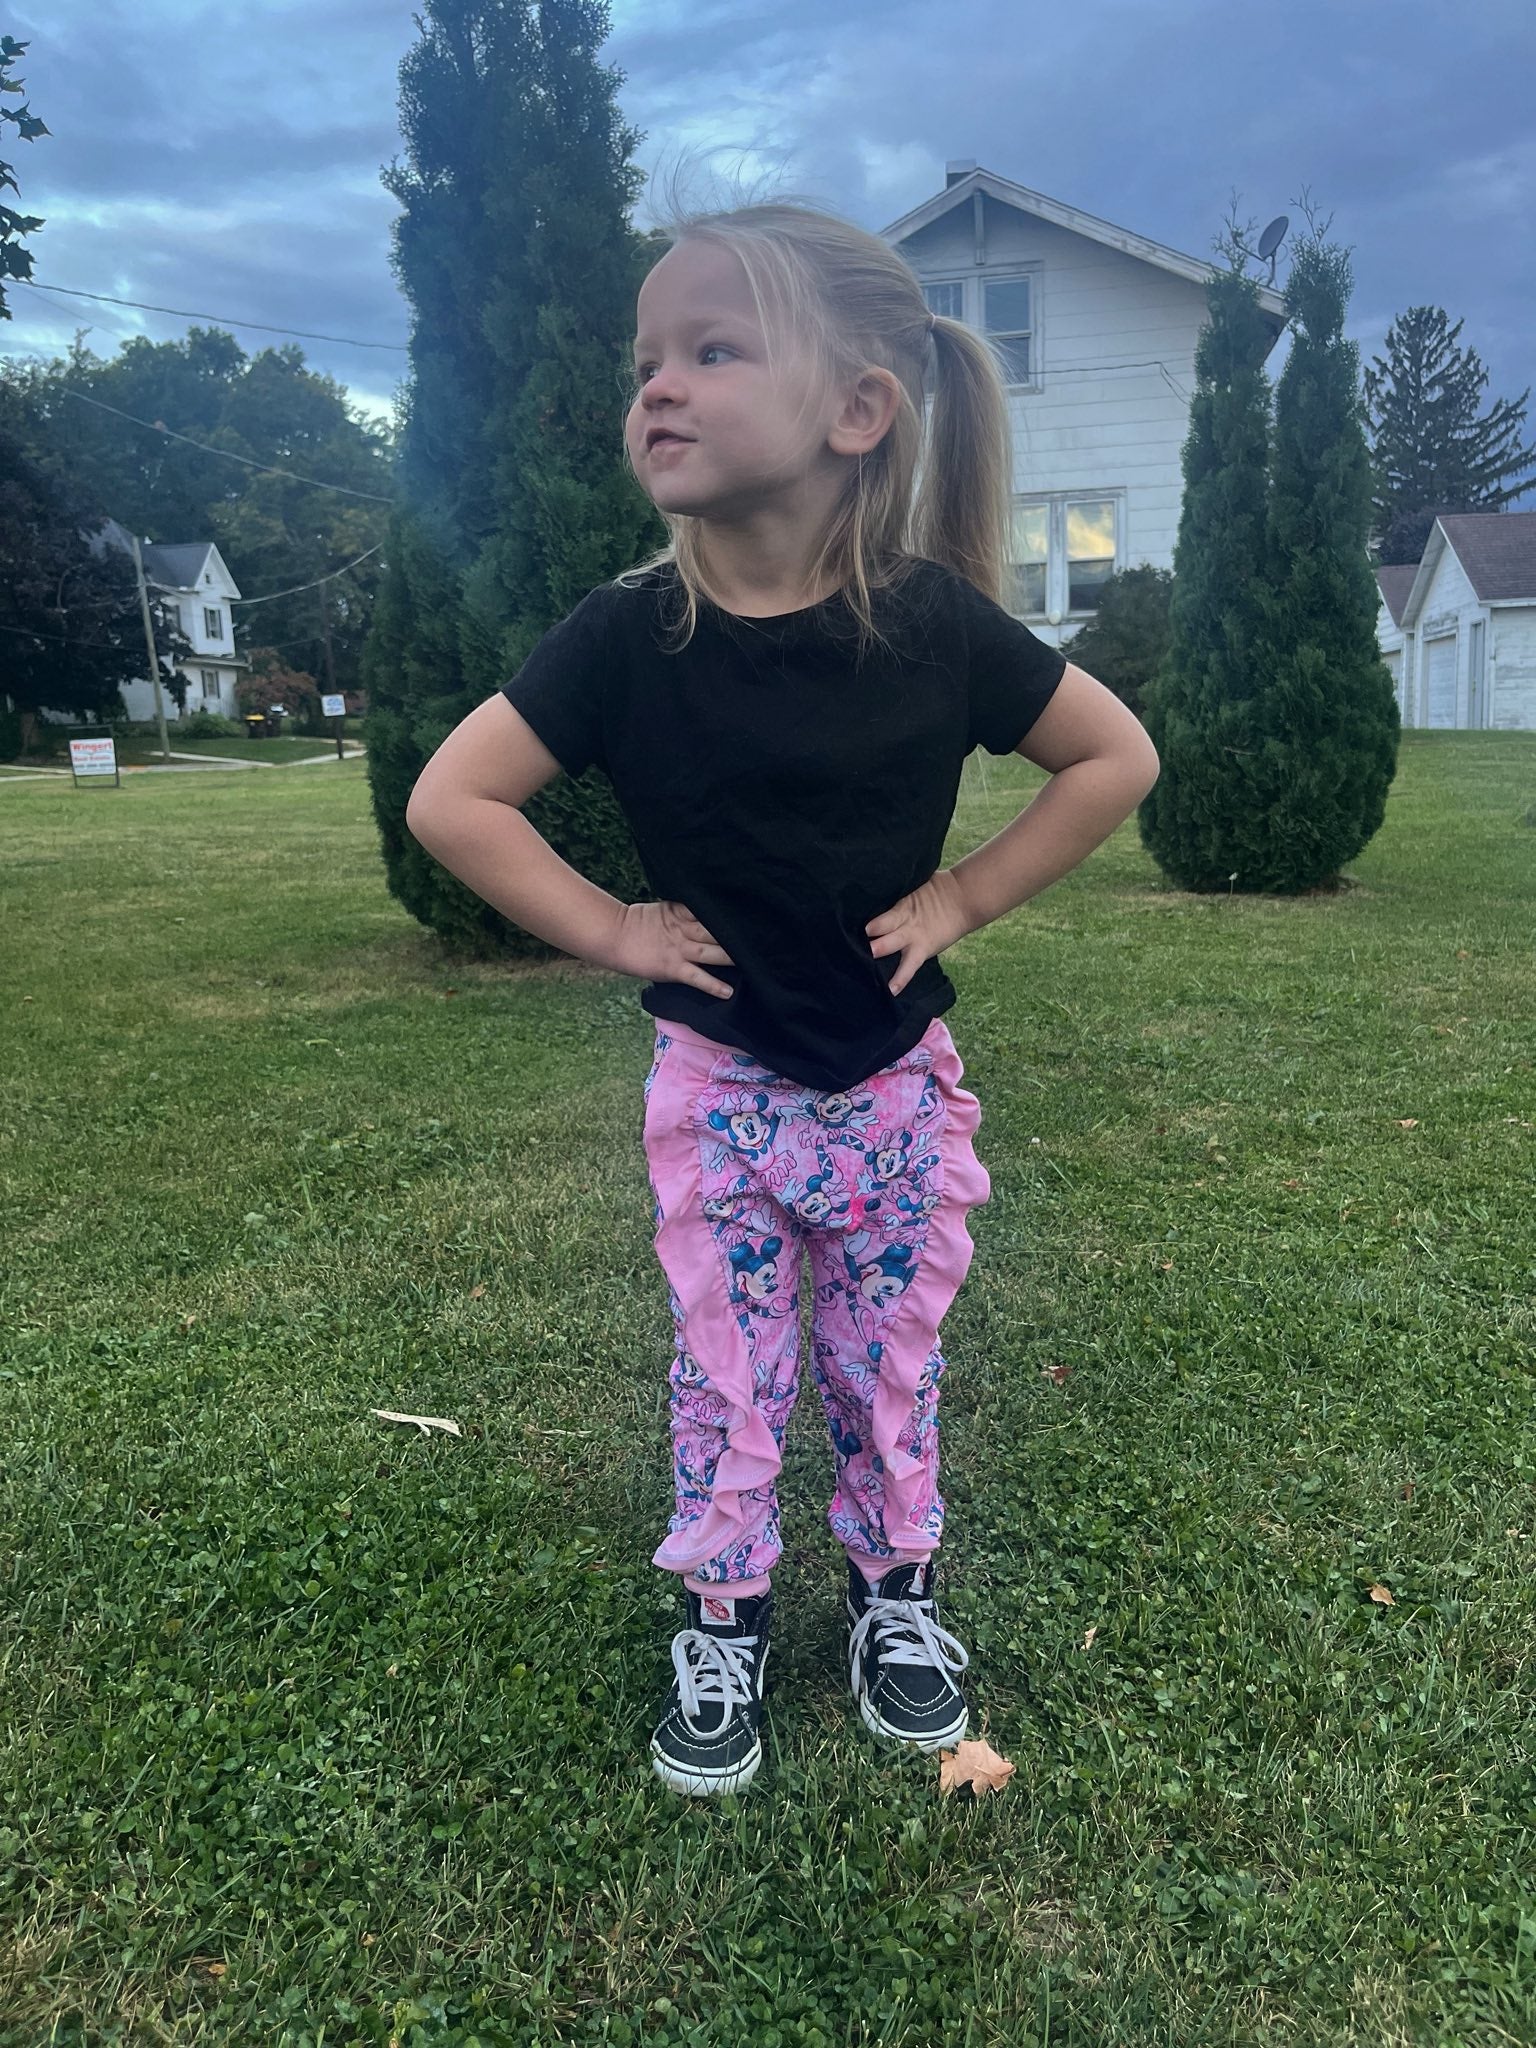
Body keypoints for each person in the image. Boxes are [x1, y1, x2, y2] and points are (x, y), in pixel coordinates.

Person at [406, 200, 1160, 1799]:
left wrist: (960, 898)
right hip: (723, 1095)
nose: (657, 387)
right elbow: (454, 801)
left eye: (711, 349)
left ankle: (897, 1598)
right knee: (727, 1371)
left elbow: (1114, 757)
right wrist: (615, 928)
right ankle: (726, 1616)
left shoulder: (935, 625)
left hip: (892, 1089)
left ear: (856, 410)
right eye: (647, 361)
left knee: (888, 1368)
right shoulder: (627, 636)